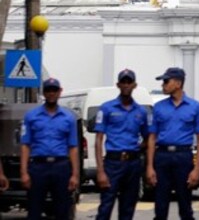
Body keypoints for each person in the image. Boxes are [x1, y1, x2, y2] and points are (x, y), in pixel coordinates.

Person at [146, 67, 199, 220]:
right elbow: (152, 138)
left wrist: (197, 169)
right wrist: (149, 166)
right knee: (160, 206)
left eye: (166, 81)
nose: (163, 85)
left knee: (185, 205)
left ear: (178, 83)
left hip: (183, 156)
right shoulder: (159, 108)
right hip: (163, 156)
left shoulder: (195, 107)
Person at [20, 77, 80, 220]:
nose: (51, 93)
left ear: (60, 92)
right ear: (43, 93)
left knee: (62, 210)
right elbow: (25, 145)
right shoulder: (31, 116)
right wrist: (24, 173)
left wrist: (75, 175)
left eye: (54, 90)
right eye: (48, 90)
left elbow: (73, 148)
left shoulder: (68, 117)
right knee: (34, 210)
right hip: (38, 167)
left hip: (61, 167)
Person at [94, 69, 151, 220]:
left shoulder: (141, 111)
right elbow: (98, 140)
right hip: (112, 163)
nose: (126, 85)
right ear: (118, 85)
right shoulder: (107, 108)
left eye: (129, 82)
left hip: (133, 164)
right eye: (123, 82)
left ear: (134, 85)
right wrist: (100, 170)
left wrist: (138, 149)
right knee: (105, 206)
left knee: (128, 208)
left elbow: (149, 137)